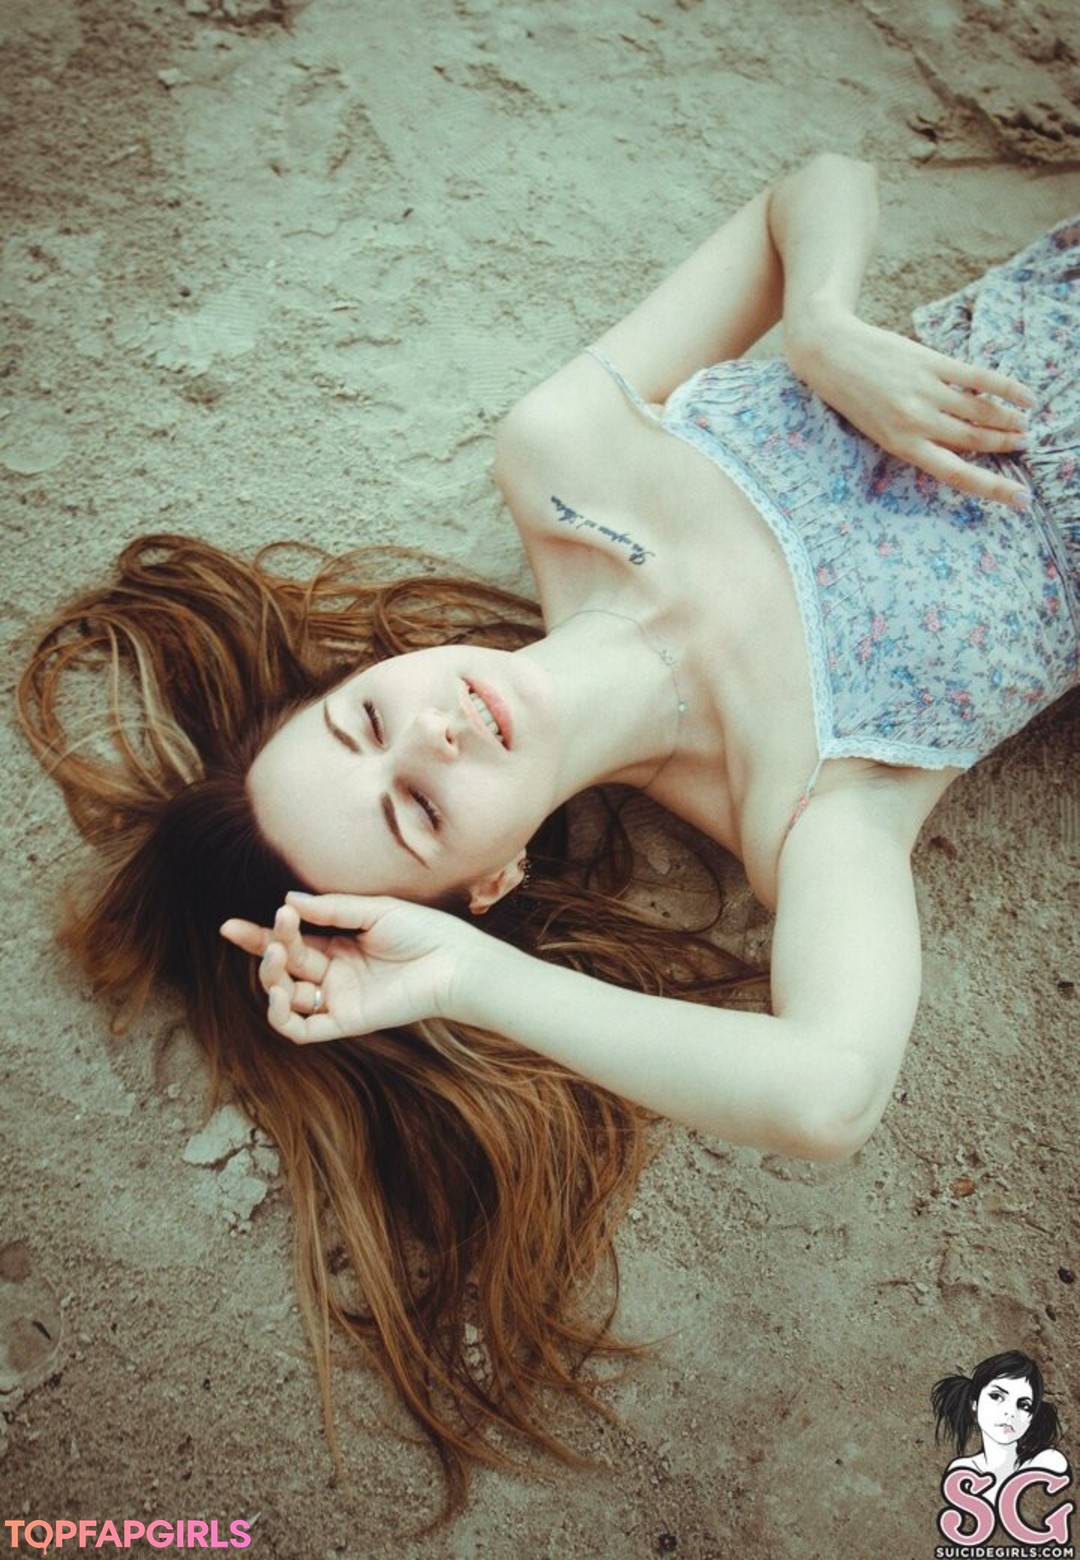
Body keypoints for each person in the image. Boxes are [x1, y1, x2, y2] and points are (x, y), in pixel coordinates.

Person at [19, 155, 1077, 1514]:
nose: (434, 733)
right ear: (490, 878)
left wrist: (820, 324)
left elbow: (815, 185)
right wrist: (470, 980)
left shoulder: (561, 454)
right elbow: (829, 1092)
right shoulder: (809, 806)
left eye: (364, 719)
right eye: (418, 810)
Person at [933, 1351, 1067, 1504]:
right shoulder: (962, 1471)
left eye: (1024, 1405)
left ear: (1032, 1417)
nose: (1010, 1413)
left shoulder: (1048, 1462)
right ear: (974, 1403)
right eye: (996, 1396)